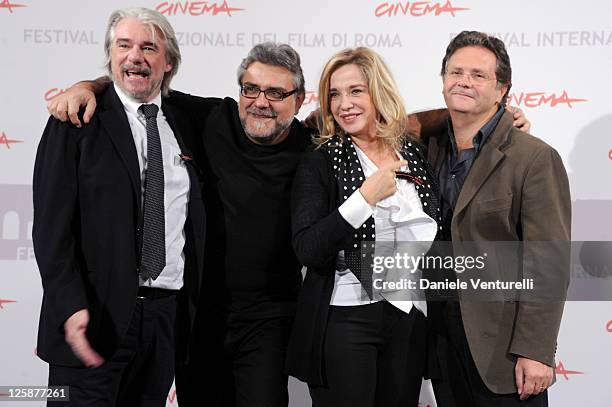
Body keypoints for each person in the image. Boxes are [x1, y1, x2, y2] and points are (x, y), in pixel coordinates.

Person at [45, 41, 531, 407]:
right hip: (199, 315)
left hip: (275, 318)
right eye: (252, 89)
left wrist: (490, 116)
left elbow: (399, 121)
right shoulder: (211, 117)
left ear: (298, 101)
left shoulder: (313, 142)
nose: (261, 101)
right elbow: (142, 80)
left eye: (277, 93)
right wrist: (88, 85)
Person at [33, 7, 207, 406]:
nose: (135, 56)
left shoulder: (190, 121)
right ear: (110, 56)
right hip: (91, 321)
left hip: (165, 321)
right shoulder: (76, 119)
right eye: (123, 46)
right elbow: (50, 231)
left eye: (149, 47)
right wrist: (69, 306)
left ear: (169, 62)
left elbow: (257, 116)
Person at [421, 31, 570, 407]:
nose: (464, 82)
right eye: (456, 72)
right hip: (441, 343)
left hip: (503, 352)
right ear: (442, 81)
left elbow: (548, 262)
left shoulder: (533, 158)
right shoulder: (428, 147)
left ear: (503, 89)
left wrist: (536, 350)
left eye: (478, 75)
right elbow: (376, 120)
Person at [286, 47, 440, 407]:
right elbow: (307, 247)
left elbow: (450, 121)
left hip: (409, 318)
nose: (344, 104)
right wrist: (363, 199)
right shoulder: (320, 159)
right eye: (334, 94)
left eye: (356, 91)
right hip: (345, 319)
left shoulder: (413, 152)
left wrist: (506, 115)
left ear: (378, 91)